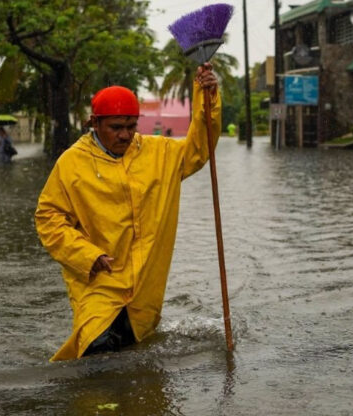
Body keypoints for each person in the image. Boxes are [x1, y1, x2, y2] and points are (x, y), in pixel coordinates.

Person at [35, 63, 221, 361]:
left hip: (146, 284)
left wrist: (207, 96)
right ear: (94, 123)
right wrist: (86, 255)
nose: (125, 135)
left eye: (131, 126)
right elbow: (48, 217)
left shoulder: (159, 153)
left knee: (132, 355)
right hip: (98, 280)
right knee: (94, 349)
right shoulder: (72, 163)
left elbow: (200, 148)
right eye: (116, 127)